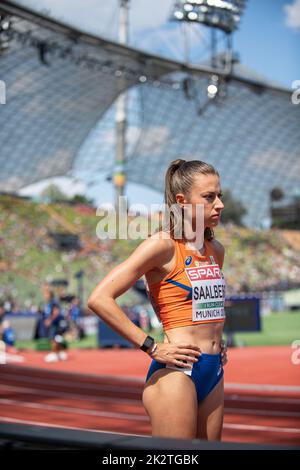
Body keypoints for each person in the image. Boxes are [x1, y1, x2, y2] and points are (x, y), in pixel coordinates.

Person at [87, 159, 228, 441]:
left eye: (219, 195)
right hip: (175, 372)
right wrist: (151, 346)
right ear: (182, 201)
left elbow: (197, 306)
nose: (220, 204)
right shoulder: (161, 245)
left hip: (213, 370)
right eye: (209, 196)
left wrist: (217, 341)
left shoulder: (217, 250)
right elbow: (99, 298)